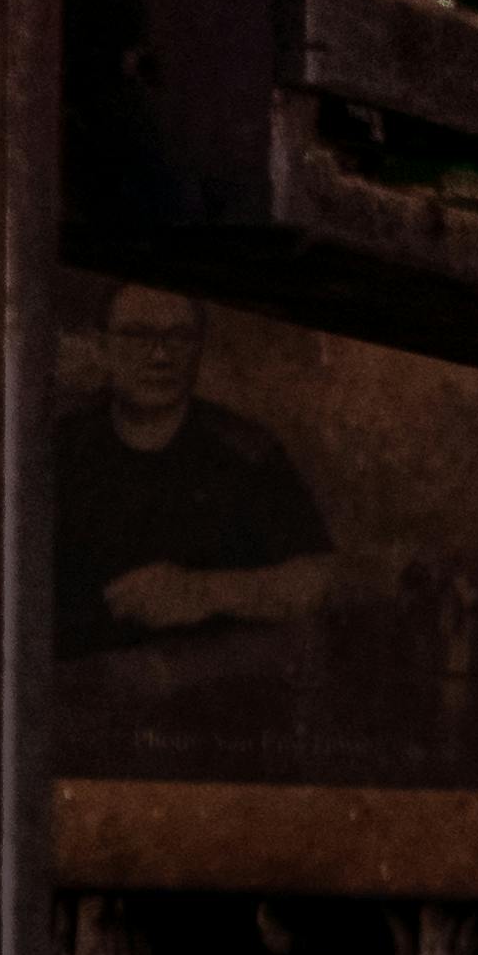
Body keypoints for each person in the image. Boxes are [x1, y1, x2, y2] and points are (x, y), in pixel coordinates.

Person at [50, 288, 348, 677]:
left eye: (179, 337)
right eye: (137, 335)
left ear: (199, 348)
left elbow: (318, 579)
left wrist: (202, 592)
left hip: (213, 689)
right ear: (103, 345)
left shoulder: (247, 451)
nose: (160, 356)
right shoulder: (60, 446)